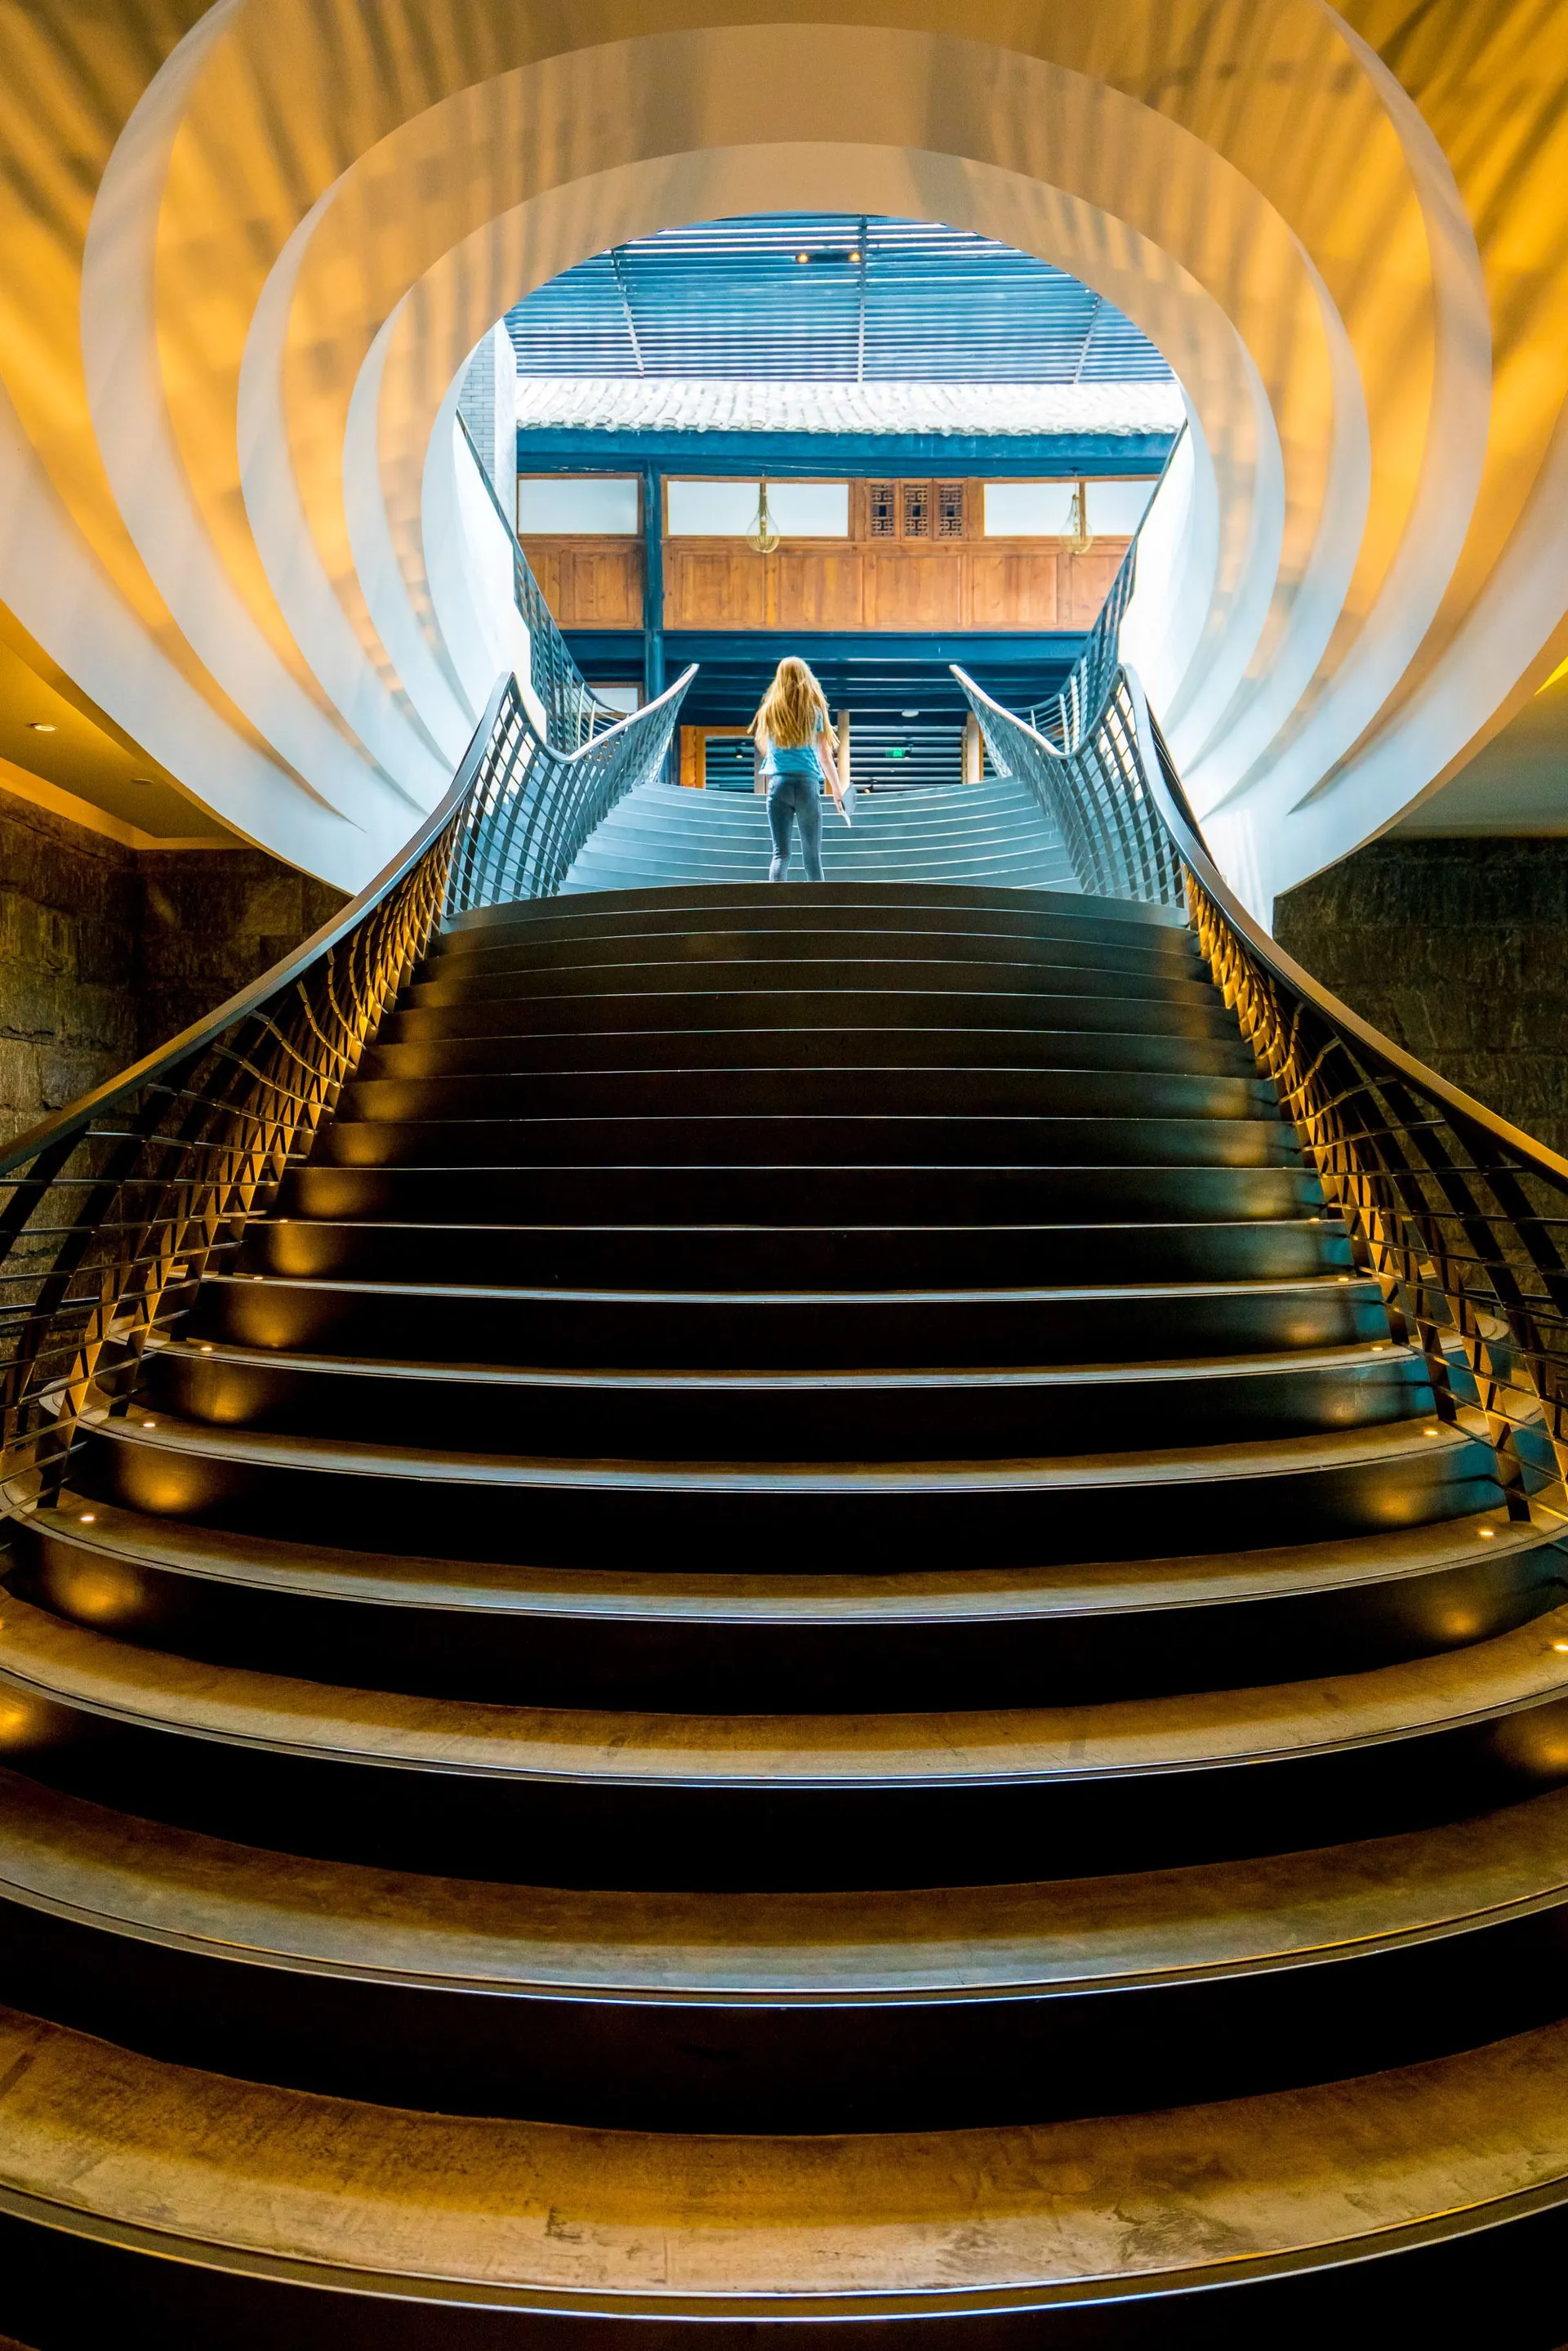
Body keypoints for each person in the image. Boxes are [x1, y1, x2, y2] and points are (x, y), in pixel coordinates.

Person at [750, 656, 844, 882]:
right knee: (812, 857)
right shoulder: (815, 712)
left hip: (779, 784)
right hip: (807, 785)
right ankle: (820, 910)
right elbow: (824, 755)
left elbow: (762, 746)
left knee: (780, 854)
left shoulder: (770, 712)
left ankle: (775, 910)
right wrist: (838, 791)